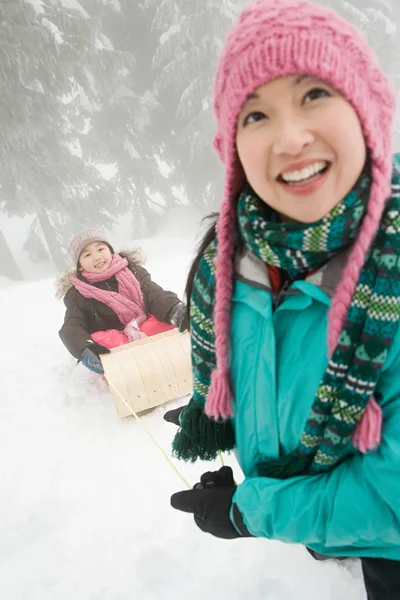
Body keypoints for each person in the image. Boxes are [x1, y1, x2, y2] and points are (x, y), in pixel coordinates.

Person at [168, 1, 400, 598]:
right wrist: (221, 404)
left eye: (315, 94)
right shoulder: (233, 259)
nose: (290, 137)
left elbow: (390, 501)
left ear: (366, 109)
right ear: (233, 144)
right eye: (256, 115)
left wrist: (251, 511)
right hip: (308, 512)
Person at [57, 228, 188, 374]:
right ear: (80, 266)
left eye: (100, 249)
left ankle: (169, 359)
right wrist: (84, 348)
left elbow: (155, 295)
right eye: (87, 254)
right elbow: (72, 325)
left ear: (111, 251)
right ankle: (123, 373)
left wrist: (175, 310)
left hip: (143, 328)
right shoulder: (77, 294)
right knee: (101, 340)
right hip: (116, 345)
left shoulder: (134, 272)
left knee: (160, 322)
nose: (97, 257)